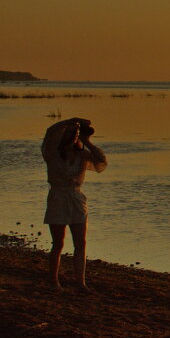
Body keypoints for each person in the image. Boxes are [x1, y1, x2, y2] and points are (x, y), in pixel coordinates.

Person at [41, 117, 108, 292]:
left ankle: (80, 282)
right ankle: (53, 281)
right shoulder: (52, 154)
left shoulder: (82, 155)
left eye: (75, 133)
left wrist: (87, 141)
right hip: (58, 196)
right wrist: (70, 121)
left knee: (81, 242)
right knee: (58, 243)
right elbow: (49, 133)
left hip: (77, 198)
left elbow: (101, 162)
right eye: (70, 133)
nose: (73, 136)